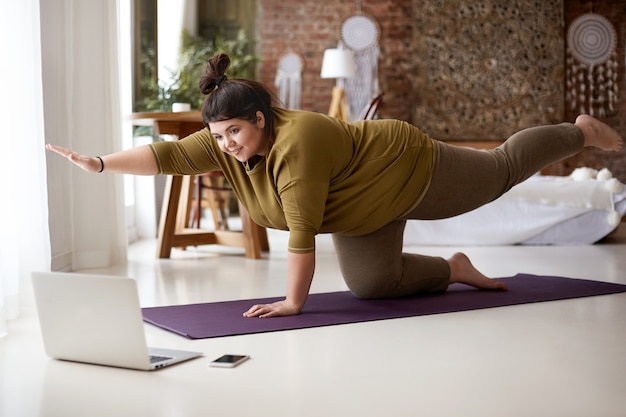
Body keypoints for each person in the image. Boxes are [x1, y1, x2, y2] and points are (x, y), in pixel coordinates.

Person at [46, 53, 624, 319]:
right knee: (375, 284)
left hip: (406, 169)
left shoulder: (299, 148)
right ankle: (455, 268)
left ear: (262, 120)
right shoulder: (228, 145)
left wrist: (294, 302)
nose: (226, 145)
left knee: (498, 171)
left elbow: (301, 233)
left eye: (235, 133)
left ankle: (576, 132)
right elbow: (167, 154)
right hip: (359, 207)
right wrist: (99, 163)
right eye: (219, 136)